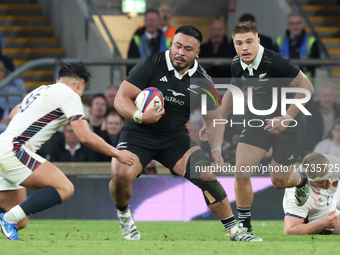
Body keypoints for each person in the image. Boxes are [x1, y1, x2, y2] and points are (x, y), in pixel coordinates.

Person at [109, 25, 262, 241]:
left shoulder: (203, 80)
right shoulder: (152, 63)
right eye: (177, 46)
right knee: (120, 174)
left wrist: (216, 148)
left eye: (188, 49)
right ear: (172, 45)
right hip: (138, 134)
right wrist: (140, 116)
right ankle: (124, 215)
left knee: (207, 175)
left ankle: (235, 231)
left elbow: (214, 118)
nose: (180, 52)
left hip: (174, 138)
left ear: (197, 53)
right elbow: (121, 98)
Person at [200, 21, 314, 238]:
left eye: (249, 42)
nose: (244, 48)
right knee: (240, 170)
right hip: (257, 122)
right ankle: (245, 227)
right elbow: (232, 94)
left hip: (290, 123)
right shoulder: (237, 64)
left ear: (258, 41)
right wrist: (214, 121)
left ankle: (302, 180)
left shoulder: (276, 62)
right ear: (233, 45)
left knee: (279, 181)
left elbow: (307, 88)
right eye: (239, 43)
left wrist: (286, 117)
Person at [0, 62, 135, 240]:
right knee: (64, 188)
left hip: (5, 145)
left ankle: (9, 218)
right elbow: (85, 136)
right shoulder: (69, 94)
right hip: (15, 149)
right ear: (80, 85)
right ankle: (8, 219)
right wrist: (117, 153)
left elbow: (13, 114)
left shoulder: (40, 90)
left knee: (21, 220)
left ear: (58, 80)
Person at [283, 153, 340, 235]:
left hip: (330, 204)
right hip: (316, 220)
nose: (329, 183)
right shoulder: (298, 193)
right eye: (322, 182)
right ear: (310, 181)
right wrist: (324, 224)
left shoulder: (336, 166)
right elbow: (289, 230)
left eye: (330, 177)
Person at [273, 13, 320, 78]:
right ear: (288, 25)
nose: (295, 27)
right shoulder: (279, 41)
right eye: (292, 24)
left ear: (303, 25)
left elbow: (316, 63)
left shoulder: (311, 41)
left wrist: (300, 67)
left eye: (298, 23)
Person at [127, 8, 171, 72]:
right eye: (149, 20)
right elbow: (130, 64)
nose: (151, 23)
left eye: (154, 20)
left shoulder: (167, 42)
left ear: (158, 22)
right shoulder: (136, 40)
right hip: (141, 79)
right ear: (145, 21)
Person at [304, 86, 340, 155]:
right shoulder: (311, 111)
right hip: (315, 149)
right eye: (324, 96)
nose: (327, 99)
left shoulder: (338, 111)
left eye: (330, 96)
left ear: (334, 97)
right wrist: (321, 148)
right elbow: (310, 133)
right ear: (319, 97)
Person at [0, 60, 27, 133]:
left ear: (4, 70)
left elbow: (26, 97)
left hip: (18, 117)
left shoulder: (17, 82)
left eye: (1, 70)